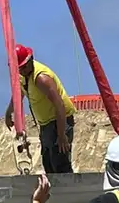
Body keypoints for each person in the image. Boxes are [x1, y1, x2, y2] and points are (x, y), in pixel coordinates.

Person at [4, 44, 78, 174]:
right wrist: (9, 112)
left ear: (30, 60)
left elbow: (59, 105)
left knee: (60, 163)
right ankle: (53, 193)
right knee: (48, 163)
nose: (21, 71)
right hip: (45, 124)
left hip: (59, 121)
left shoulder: (41, 78)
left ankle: (68, 193)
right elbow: (19, 93)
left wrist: (61, 135)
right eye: (19, 69)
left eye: (23, 67)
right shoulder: (23, 76)